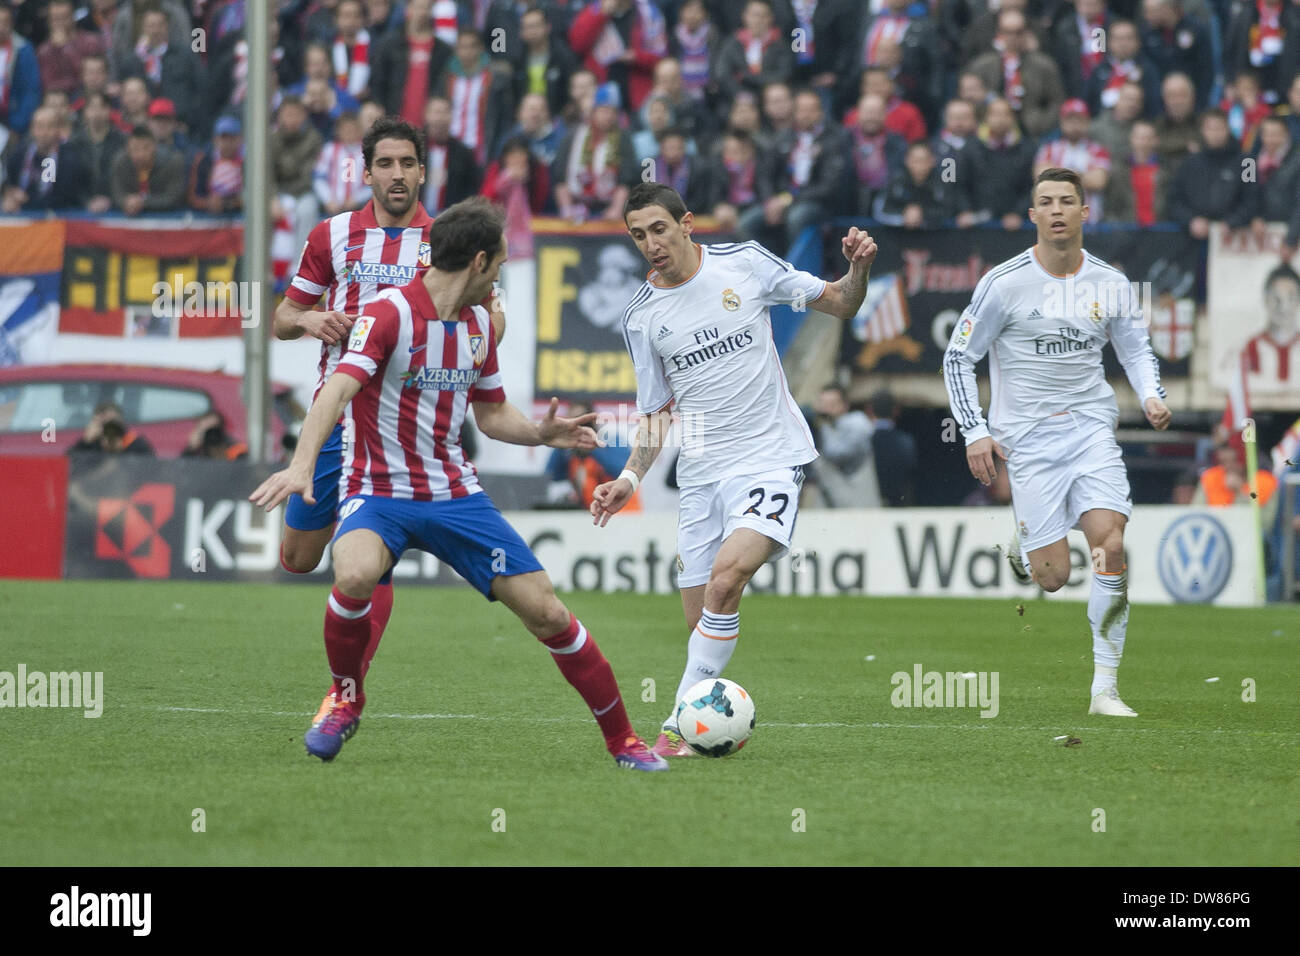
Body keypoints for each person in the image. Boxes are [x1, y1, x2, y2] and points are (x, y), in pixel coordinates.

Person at [251, 197, 667, 771]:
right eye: (496, 266)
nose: (498, 279)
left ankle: (624, 740)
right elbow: (335, 392)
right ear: (477, 262)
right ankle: (345, 700)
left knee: (546, 612)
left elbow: (492, 416)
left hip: (454, 496)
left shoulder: (477, 327)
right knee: (352, 573)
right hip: (377, 492)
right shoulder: (387, 314)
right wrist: (301, 466)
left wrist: (543, 434)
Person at [591, 181, 876, 757]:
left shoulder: (745, 264)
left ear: (687, 223)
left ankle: (675, 727)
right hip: (700, 477)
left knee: (727, 580)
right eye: (639, 235)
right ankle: (710, 726)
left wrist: (857, 268)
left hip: (770, 458)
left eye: (659, 229)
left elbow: (842, 301)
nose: (651, 244)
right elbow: (654, 414)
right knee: (702, 618)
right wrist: (627, 479)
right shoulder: (643, 318)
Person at [273, 115, 505, 734]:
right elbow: (281, 316)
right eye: (385, 164)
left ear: (423, 171)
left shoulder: (450, 238)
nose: (397, 174)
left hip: (403, 430)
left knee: (370, 561)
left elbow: (490, 317)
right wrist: (311, 322)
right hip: (335, 411)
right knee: (298, 557)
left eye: (408, 163)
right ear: (367, 170)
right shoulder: (333, 235)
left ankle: (344, 694)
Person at [943, 166, 1172, 718]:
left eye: (1067, 201)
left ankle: (1105, 689)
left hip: (1091, 428)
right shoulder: (1004, 283)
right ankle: (1029, 550)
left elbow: (1135, 350)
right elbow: (958, 356)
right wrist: (975, 431)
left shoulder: (1111, 283)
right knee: (1053, 578)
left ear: (1084, 211)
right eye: (1046, 202)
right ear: (1032, 215)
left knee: (1110, 545)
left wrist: (1150, 394)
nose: (1057, 210)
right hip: (1028, 440)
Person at [68, 402, 155, 456]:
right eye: (102, 423)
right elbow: (69, 467)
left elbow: (148, 470)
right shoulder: (91, 444)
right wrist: (85, 441)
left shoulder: (136, 445)